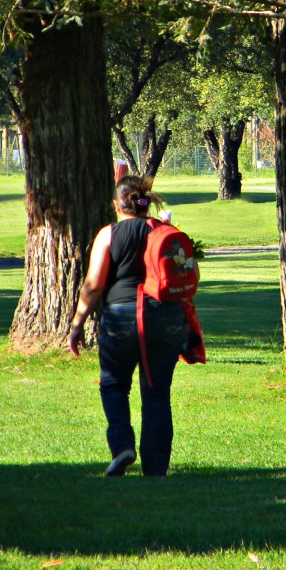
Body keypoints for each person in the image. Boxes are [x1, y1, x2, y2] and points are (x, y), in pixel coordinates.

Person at [68, 175, 189, 478]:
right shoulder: (165, 231)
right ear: (145, 203)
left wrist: (76, 324)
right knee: (157, 392)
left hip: (121, 315)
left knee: (113, 385)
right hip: (166, 316)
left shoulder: (108, 234)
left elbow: (94, 285)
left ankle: (122, 446)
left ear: (116, 204)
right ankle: (156, 469)